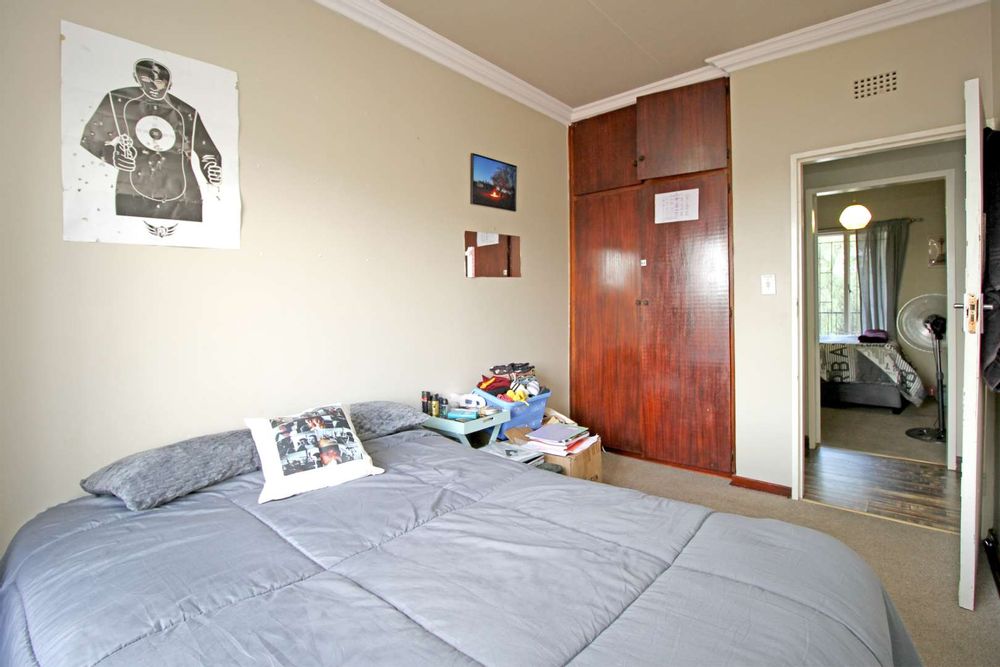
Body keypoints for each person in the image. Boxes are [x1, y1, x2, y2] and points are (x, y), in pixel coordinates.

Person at [80, 58, 221, 225]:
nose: (154, 87)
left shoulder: (186, 112)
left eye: (160, 82)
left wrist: (211, 168)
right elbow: (90, 138)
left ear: (169, 84)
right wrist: (111, 155)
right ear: (136, 78)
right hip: (132, 190)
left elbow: (207, 151)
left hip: (183, 193)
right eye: (147, 79)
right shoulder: (118, 99)